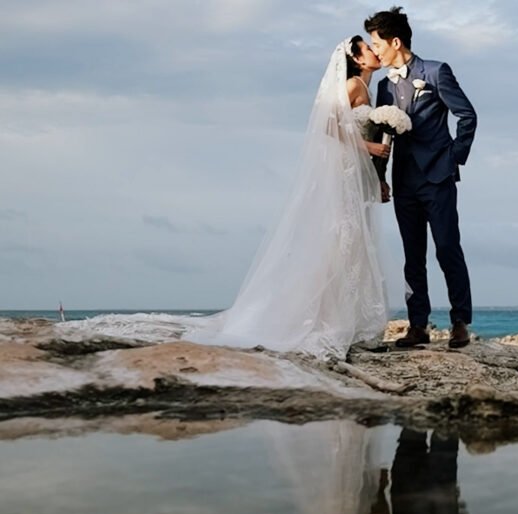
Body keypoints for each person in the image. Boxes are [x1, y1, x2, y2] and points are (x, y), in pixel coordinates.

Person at [58, 38, 391, 360]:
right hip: (343, 172)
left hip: (353, 174)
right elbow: (330, 128)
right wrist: (372, 148)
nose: (373, 52)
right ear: (357, 59)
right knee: (339, 241)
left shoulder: (366, 88)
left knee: (352, 242)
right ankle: (331, 320)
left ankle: (352, 321)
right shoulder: (352, 86)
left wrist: (377, 174)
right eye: (367, 49)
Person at [366, 7, 478, 349]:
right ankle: (418, 326)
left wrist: (453, 158)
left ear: (395, 41)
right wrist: (380, 178)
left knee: (447, 248)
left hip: (438, 177)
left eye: (377, 44)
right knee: (412, 255)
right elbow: (383, 134)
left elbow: (467, 116)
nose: (375, 51)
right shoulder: (384, 87)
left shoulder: (436, 72)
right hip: (405, 181)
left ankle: (460, 322)